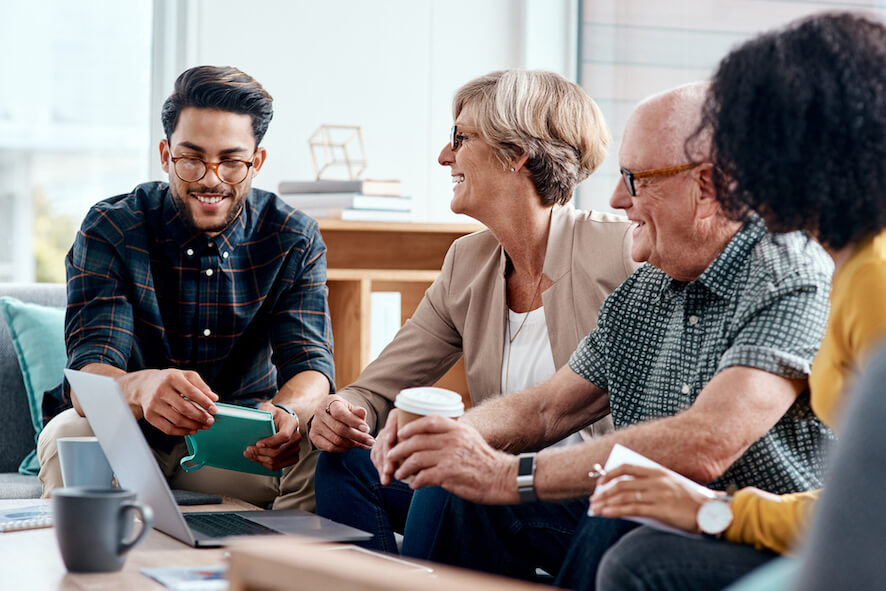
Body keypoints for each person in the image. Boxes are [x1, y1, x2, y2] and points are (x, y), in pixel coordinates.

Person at [380, 81, 835, 587]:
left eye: (635, 179)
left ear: (707, 186)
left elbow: (706, 442)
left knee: (621, 503)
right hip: (645, 511)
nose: (618, 198)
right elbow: (550, 407)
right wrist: (460, 440)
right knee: (457, 487)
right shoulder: (647, 289)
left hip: (757, 537)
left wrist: (509, 475)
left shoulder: (788, 273)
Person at [585, 12, 886, 591]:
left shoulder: (868, 276)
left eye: (750, 148)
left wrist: (712, 511)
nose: (732, 176)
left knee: (639, 562)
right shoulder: (847, 263)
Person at [310, 69, 637, 553]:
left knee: (449, 477)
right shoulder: (468, 261)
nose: (445, 156)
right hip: (492, 487)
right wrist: (343, 412)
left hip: (588, 496)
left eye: (459, 138)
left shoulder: (623, 250)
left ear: (516, 153)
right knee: (347, 464)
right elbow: (376, 389)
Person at [36, 65, 335, 511]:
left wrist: (288, 413)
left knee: (319, 446)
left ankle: (280, 574)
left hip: (239, 451)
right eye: (191, 158)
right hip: (128, 433)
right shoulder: (113, 227)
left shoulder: (293, 237)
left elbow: (312, 367)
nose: (210, 179)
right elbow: (88, 381)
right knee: (70, 433)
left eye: (231, 161)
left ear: (257, 161)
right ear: (165, 153)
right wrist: (143, 387)